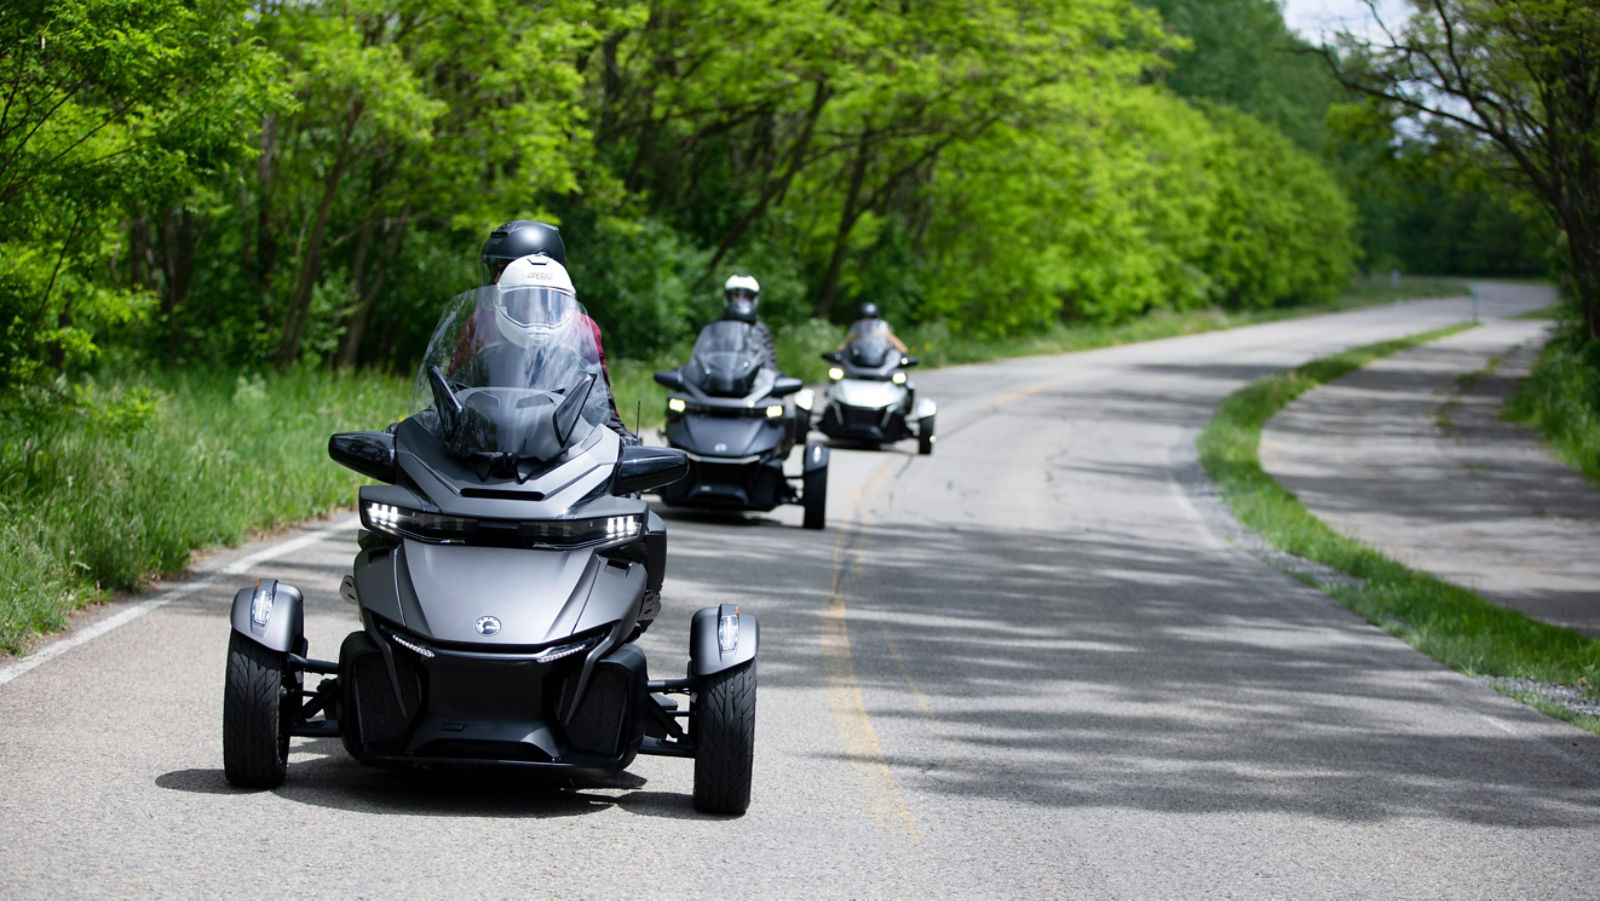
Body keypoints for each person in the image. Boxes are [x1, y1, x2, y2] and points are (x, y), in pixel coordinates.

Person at [723, 273, 777, 370]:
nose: (741, 300)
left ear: (754, 300)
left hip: (752, 381)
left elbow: (770, 362)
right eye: (736, 295)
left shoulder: (761, 329)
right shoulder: (716, 327)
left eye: (747, 296)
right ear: (727, 298)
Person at [838, 301, 909, 353]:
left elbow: (896, 342)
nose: (867, 321)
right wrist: (838, 353)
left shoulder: (882, 328)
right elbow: (845, 343)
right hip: (859, 360)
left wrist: (903, 352)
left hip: (880, 361)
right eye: (864, 317)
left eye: (870, 318)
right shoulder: (857, 330)